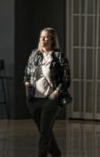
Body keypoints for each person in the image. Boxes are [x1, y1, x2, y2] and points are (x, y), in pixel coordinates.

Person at [23, 27, 72, 157]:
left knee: (45, 130)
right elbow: (27, 75)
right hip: (34, 99)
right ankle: (56, 153)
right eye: (41, 37)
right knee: (45, 130)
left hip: (51, 99)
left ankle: (42, 154)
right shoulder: (34, 54)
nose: (43, 40)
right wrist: (27, 93)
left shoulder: (59, 56)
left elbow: (66, 79)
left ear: (52, 40)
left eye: (46, 37)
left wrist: (55, 94)